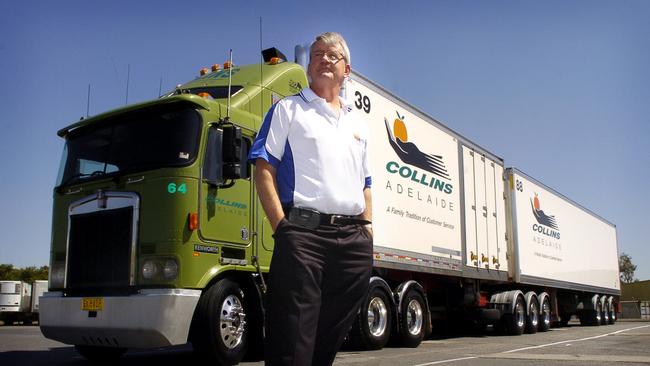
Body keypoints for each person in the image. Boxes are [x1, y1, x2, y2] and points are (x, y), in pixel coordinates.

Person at [248, 32, 373, 366]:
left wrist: (367, 231)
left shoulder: (356, 124)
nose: (324, 59)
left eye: (333, 55)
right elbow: (263, 169)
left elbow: (366, 183)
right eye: (317, 54)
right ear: (308, 66)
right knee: (292, 339)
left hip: (352, 243)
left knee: (326, 338)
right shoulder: (288, 110)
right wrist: (283, 229)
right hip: (304, 237)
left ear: (348, 70)